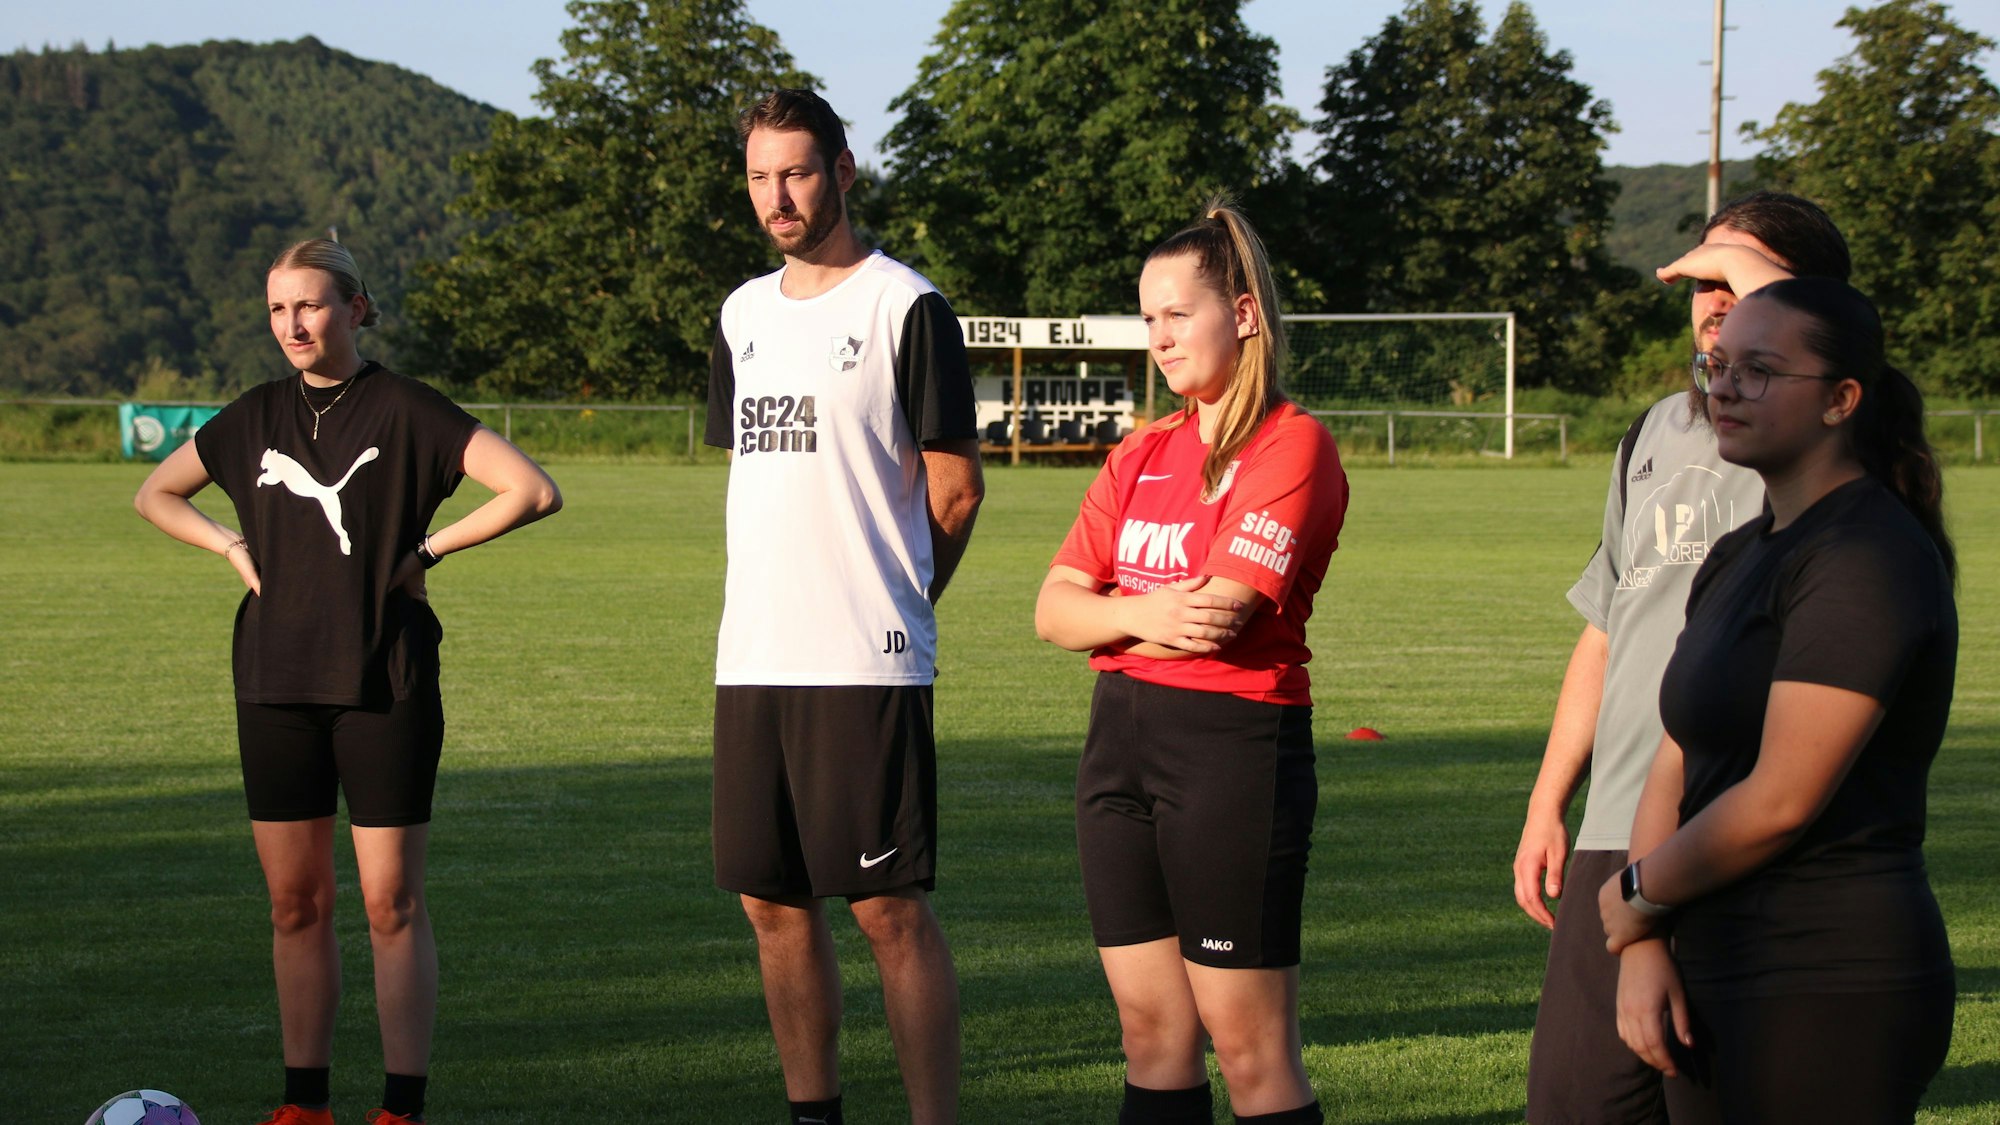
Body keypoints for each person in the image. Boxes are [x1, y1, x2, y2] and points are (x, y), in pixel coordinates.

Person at [133, 239, 561, 1124]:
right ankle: (305, 1106)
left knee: (388, 901)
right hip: (275, 682)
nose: (293, 324)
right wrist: (229, 544)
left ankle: (400, 1108)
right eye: (279, 309)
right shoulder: (251, 416)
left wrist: (426, 551)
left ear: (357, 309)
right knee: (296, 904)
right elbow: (156, 495)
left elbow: (531, 489)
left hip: (385, 680)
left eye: (313, 305)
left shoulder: (408, 409)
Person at [1512, 192, 1850, 1124]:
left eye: (1734, 279)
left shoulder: (1825, 435)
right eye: (1700, 280)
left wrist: (1770, 307)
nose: (1711, 300)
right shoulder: (1653, 433)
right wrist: (1552, 800)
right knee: (1574, 1106)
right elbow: (1609, 625)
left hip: (1741, 831)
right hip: (1619, 825)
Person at [1597, 276, 1958, 1122]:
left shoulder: (1867, 554)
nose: (1721, 386)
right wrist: (1645, 942)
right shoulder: (1738, 553)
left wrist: (1637, 893)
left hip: (1828, 980)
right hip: (1711, 968)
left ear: (1842, 400)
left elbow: (1782, 796)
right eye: (1716, 364)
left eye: (1758, 370)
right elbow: (1674, 759)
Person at [704, 88, 984, 1125]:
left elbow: (953, 490)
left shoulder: (904, 307)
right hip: (753, 657)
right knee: (770, 905)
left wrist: (900, 601)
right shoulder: (739, 315)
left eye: (798, 172)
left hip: (862, 661)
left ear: (843, 171)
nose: (778, 196)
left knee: (884, 909)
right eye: (760, 177)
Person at [1035, 200, 1347, 1125]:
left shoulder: (1292, 442)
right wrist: (1144, 613)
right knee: (1150, 1034)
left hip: (1231, 748)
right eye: (1149, 318)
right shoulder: (1143, 449)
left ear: (1243, 314)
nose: (1160, 338)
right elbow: (1051, 612)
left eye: (1179, 313)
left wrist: (1111, 616)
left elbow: (1219, 615)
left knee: (1249, 1050)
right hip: (1118, 748)